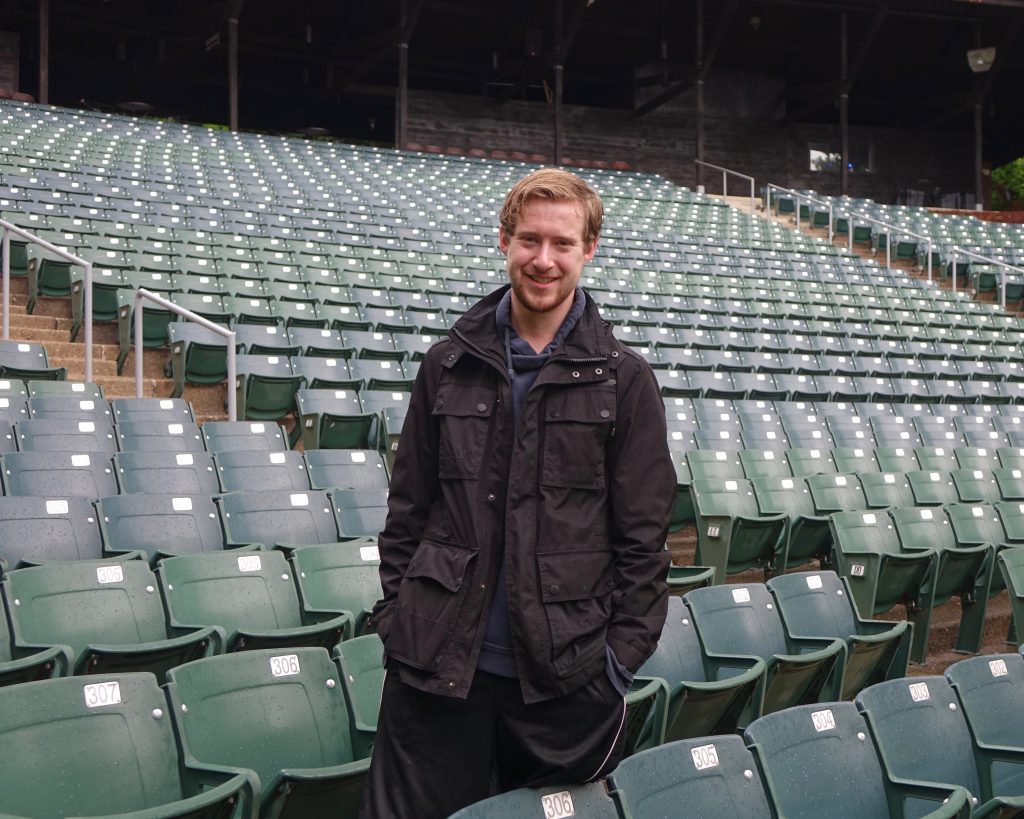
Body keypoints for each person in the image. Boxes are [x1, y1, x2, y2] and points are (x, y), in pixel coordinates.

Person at [359, 167, 675, 818]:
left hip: (565, 682)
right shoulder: (447, 365)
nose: (543, 259)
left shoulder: (625, 380)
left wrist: (616, 666)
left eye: (562, 243)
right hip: (437, 673)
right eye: (529, 239)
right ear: (504, 240)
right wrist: (399, 620)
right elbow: (407, 514)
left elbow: (644, 541)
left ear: (589, 249)